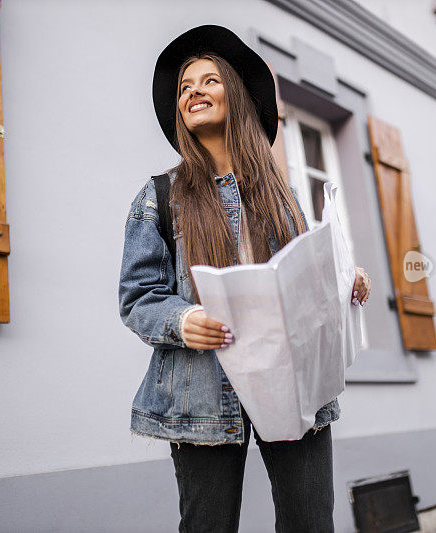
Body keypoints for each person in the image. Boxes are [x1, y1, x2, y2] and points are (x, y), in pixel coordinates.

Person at [118, 24, 371, 533]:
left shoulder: (281, 196)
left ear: (234, 94)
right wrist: (183, 319)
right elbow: (138, 298)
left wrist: (346, 280)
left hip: (293, 383)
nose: (193, 91)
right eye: (185, 87)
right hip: (200, 394)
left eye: (208, 80)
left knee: (310, 524)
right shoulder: (158, 197)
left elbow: (305, 279)